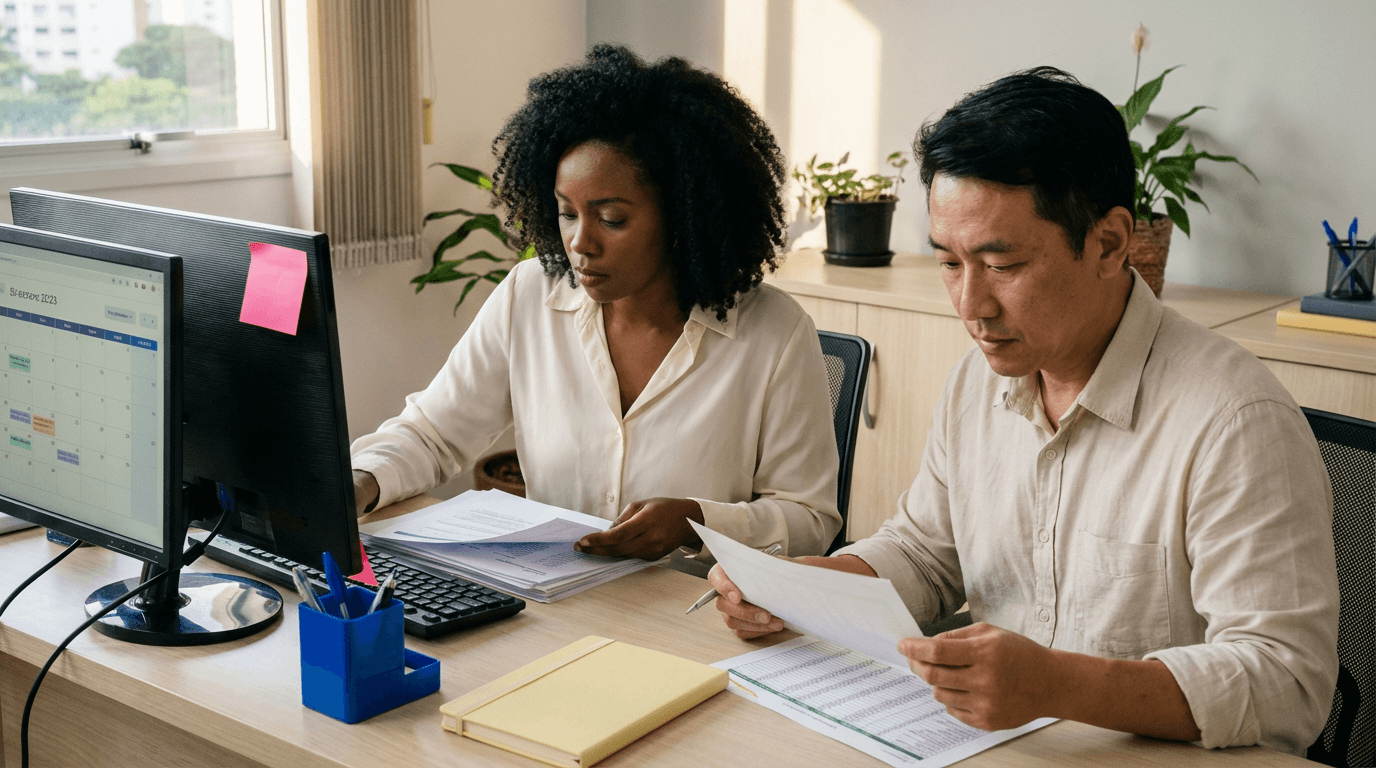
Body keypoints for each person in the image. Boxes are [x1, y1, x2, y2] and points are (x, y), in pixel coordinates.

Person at [709, 66, 1338, 756]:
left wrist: (1057, 685)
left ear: (1108, 243)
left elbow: (1288, 683)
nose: (971, 306)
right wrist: (802, 589)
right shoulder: (975, 384)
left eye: (1002, 265)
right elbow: (923, 554)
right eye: (949, 263)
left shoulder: (1233, 419)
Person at [349, 45, 841, 565]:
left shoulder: (775, 333)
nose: (580, 242)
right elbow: (432, 433)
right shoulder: (529, 294)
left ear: (683, 217)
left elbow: (810, 520)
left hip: (693, 618)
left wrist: (698, 523)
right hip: (553, 603)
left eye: (611, 219)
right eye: (566, 214)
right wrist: (361, 482)